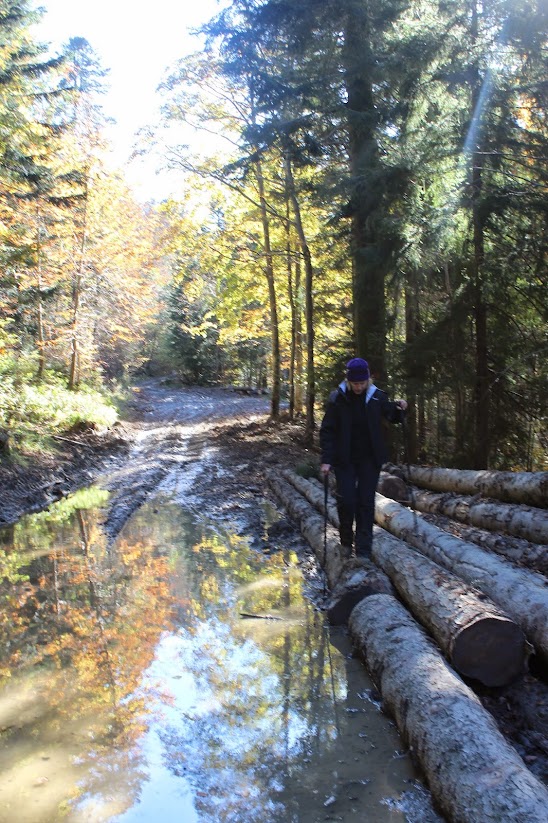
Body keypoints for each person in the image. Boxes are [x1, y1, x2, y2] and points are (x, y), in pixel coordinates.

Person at [319, 357, 408, 557]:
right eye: (355, 383)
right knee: (347, 501)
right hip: (345, 459)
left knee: (366, 503)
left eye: (362, 383)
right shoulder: (337, 399)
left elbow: (392, 415)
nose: (358, 387)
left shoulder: (377, 397)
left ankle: (363, 551)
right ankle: (345, 541)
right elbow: (327, 430)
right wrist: (326, 459)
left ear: (368, 380)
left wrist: (401, 407)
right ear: (349, 381)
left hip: (370, 459)